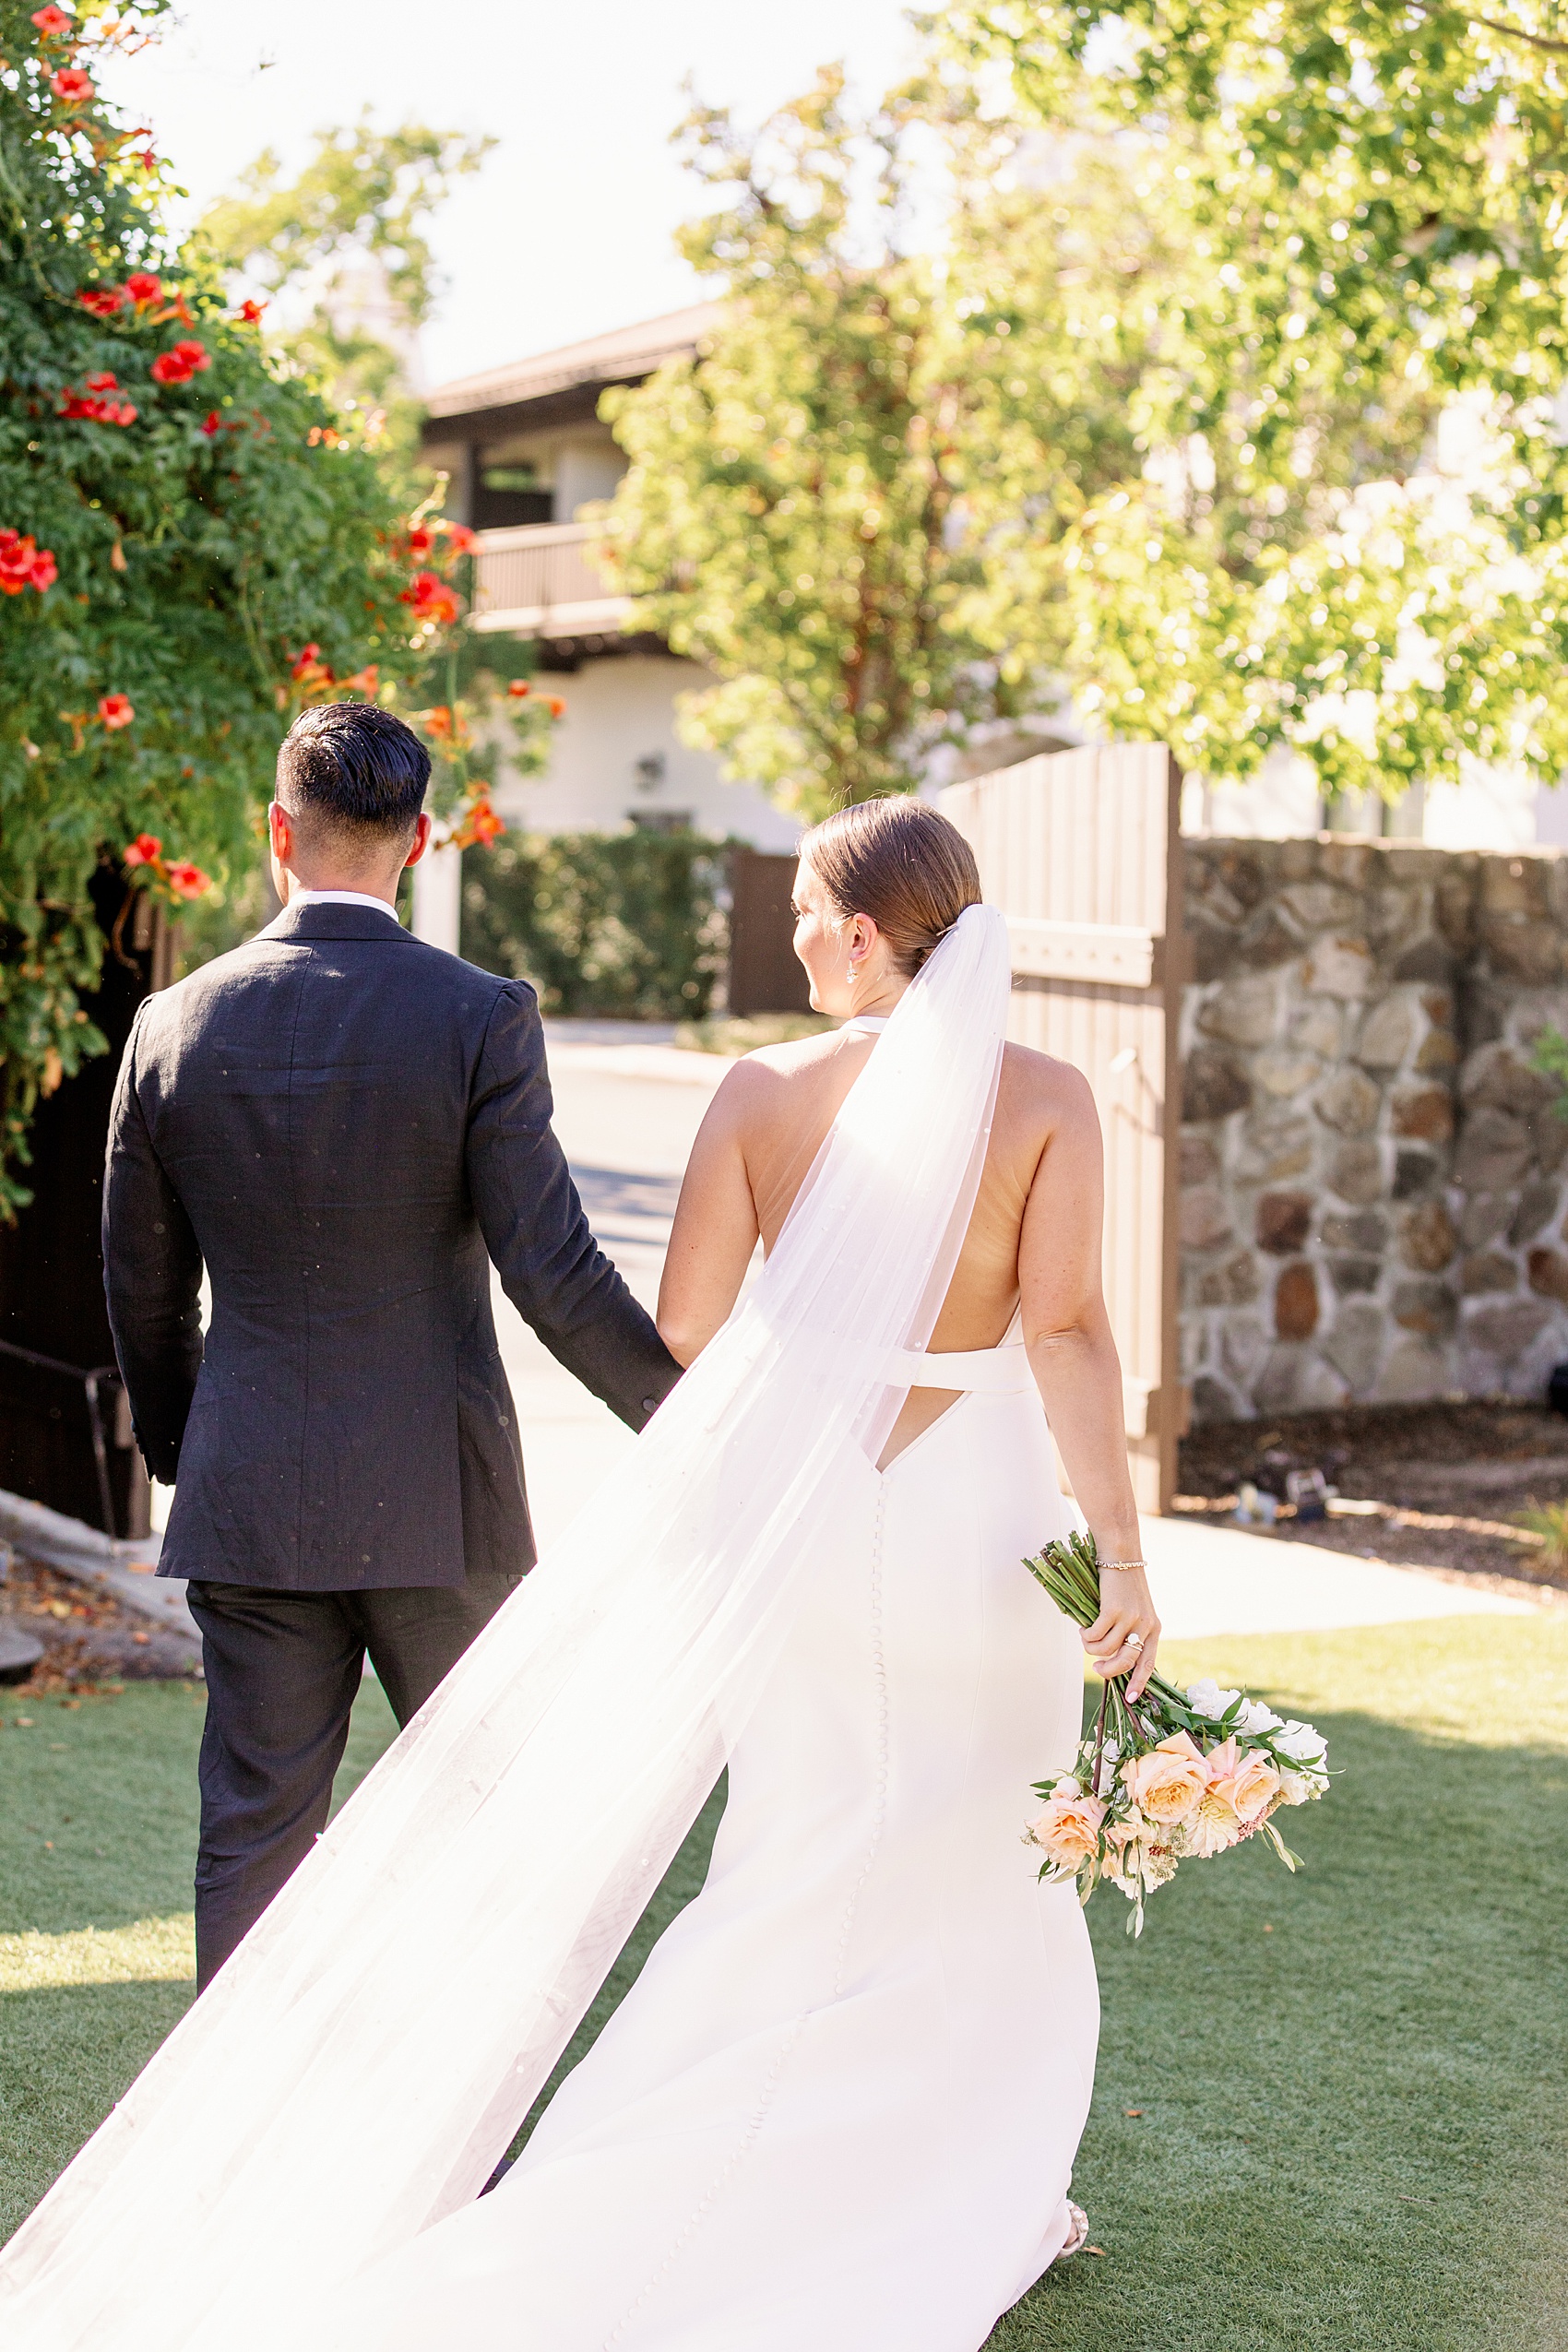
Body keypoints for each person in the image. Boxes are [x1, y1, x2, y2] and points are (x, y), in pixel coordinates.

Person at [1, 798, 1158, 2352]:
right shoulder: (1053, 1101)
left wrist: (798, 1394)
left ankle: (627, 2173)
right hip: (988, 1528)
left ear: (869, 934)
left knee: (790, 1862)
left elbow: (681, 1340)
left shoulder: (757, 1095)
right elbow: (1072, 1331)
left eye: (811, 908)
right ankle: (969, 2186)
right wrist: (1127, 1559)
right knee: (985, 1860)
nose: (795, 931)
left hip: (811, 1525)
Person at [101, 701, 680, 1989]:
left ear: (276, 832)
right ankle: (462, 2163)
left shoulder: (171, 1026)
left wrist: (191, 1445)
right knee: (487, 1835)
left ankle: (237, 2155)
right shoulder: (480, 1015)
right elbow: (555, 1271)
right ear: (416, 839)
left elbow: (141, 1294)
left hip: (251, 1496)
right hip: (443, 1503)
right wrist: (690, 1418)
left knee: (251, 1840)